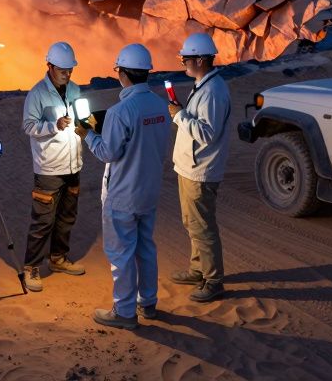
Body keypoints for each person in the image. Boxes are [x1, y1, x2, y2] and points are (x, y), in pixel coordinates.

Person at [76, 43, 173, 329]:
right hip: (148, 191)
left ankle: (124, 312)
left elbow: (108, 153)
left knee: (121, 254)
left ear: (124, 73)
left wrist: (87, 135)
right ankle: (149, 302)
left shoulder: (121, 111)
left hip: (123, 195)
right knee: (145, 248)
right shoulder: (159, 105)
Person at [168, 32, 233, 302]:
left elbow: (207, 133)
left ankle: (213, 280)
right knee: (192, 223)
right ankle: (199, 269)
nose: (183, 62)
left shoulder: (214, 92)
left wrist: (180, 115)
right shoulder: (203, 85)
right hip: (189, 167)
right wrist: (182, 113)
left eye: (186, 58)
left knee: (202, 226)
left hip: (201, 171)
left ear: (201, 59)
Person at [20, 41, 87, 292]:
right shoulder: (37, 94)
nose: (67, 73)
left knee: (67, 217)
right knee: (43, 221)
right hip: (49, 169)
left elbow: (81, 119)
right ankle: (32, 267)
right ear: (49, 66)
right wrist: (53, 125)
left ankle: (58, 259)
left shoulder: (76, 90)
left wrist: (88, 125)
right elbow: (28, 127)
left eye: (70, 69)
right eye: (62, 69)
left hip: (73, 166)